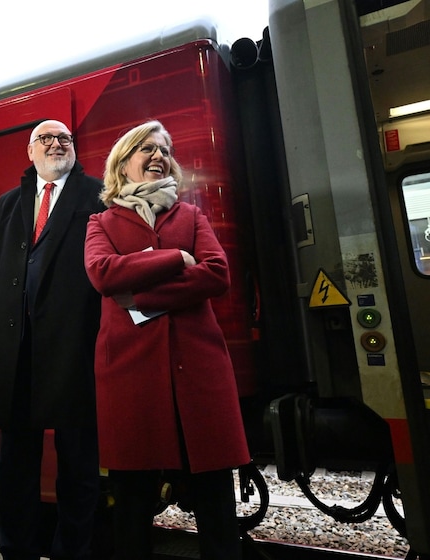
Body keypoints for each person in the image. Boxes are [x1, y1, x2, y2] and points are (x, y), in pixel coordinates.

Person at [83, 120, 250, 560]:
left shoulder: (191, 215)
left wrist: (138, 292)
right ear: (123, 164)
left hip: (198, 374)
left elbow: (217, 273)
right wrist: (177, 257)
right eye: (146, 149)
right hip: (131, 377)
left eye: (164, 150)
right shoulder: (100, 222)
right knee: (132, 509)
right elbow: (102, 273)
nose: (158, 156)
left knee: (216, 505)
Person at [0, 119, 106, 560]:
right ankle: (17, 551)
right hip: (17, 349)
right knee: (15, 466)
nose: (55, 144)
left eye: (63, 138)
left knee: (78, 464)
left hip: (76, 347)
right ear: (30, 152)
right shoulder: (11, 204)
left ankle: (73, 552)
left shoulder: (97, 194)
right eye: (45, 139)